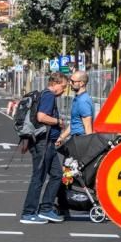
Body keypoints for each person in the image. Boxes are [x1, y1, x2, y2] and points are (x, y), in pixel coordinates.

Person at [20, 72, 68, 224]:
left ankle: (46, 208)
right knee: (38, 177)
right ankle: (28, 213)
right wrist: (58, 121)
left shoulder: (45, 94)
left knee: (57, 175)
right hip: (43, 143)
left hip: (47, 143)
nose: (64, 90)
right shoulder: (49, 95)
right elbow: (41, 117)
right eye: (63, 86)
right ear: (55, 83)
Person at [55, 70, 94, 217]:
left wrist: (88, 149)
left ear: (82, 83)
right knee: (67, 175)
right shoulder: (77, 99)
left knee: (67, 174)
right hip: (74, 141)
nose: (70, 84)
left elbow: (88, 126)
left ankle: (66, 205)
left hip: (80, 144)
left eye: (73, 81)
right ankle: (64, 205)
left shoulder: (83, 101)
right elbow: (74, 124)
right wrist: (62, 137)